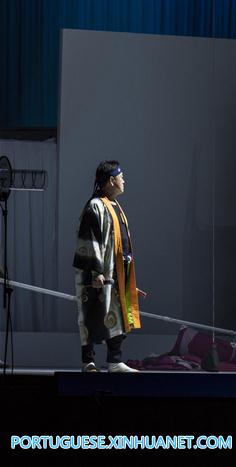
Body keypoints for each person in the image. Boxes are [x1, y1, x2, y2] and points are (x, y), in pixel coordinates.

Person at [73, 160, 144, 373]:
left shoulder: (115, 206)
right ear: (112, 180)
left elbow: (122, 242)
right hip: (99, 272)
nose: (124, 180)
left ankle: (114, 360)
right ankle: (89, 361)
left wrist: (129, 279)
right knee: (91, 312)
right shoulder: (95, 205)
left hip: (116, 272)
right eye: (121, 176)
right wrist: (95, 271)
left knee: (117, 315)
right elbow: (89, 238)